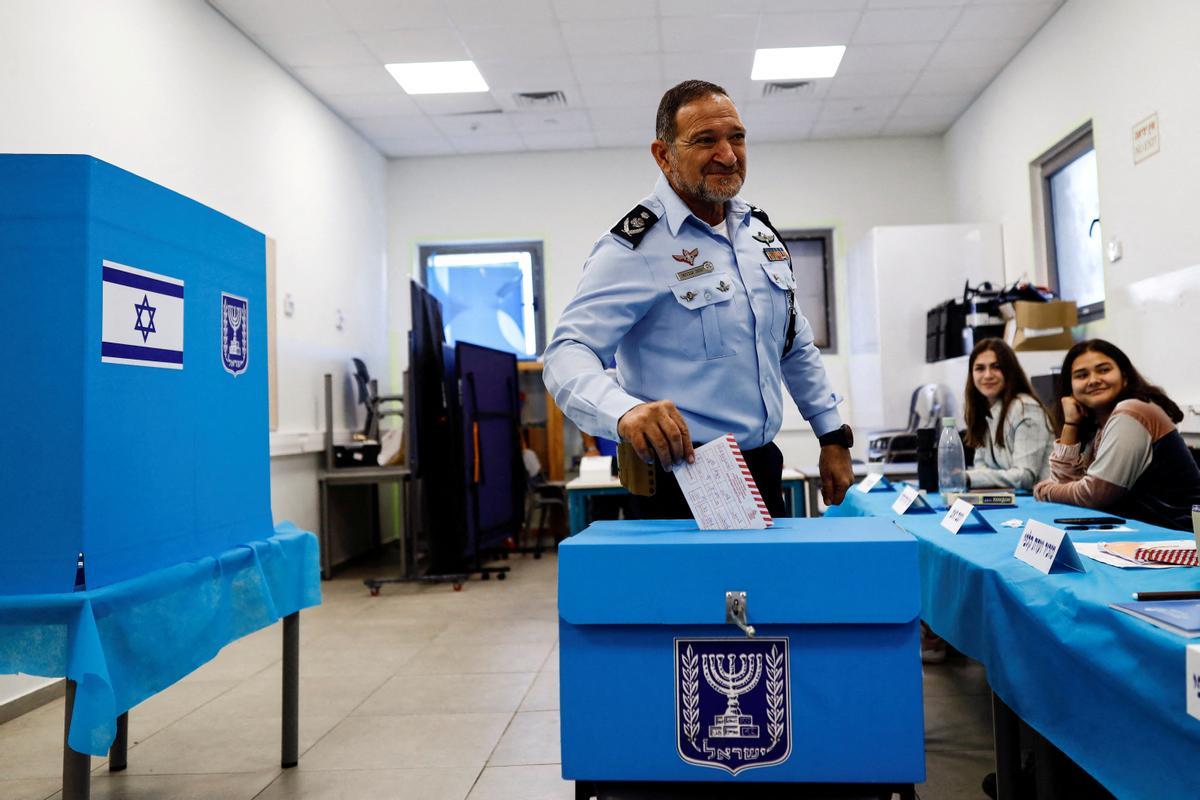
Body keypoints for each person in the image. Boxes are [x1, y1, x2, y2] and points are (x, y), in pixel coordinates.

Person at [543, 79, 853, 519]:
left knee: (770, 588)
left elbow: (792, 342)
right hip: (680, 479)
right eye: (706, 140)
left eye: (737, 138)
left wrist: (831, 435)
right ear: (664, 154)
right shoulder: (634, 247)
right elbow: (566, 355)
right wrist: (623, 411)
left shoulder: (757, 232)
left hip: (762, 467)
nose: (728, 155)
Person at [1033, 339, 1200, 530]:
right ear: (1070, 388)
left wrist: (1045, 490)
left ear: (1125, 377)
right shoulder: (1099, 426)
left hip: (1179, 541)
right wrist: (1071, 423)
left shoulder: (1133, 410)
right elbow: (1066, 485)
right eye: (1082, 375)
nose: (1093, 380)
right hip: (1146, 535)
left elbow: (1094, 494)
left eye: (1104, 370)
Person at [961, 338, 1055, 490]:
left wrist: (968, 477)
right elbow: (981, 466)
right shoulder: (984, 411)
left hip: (1039, 503)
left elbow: (1025, 476)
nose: (987, 375)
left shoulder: (1025, 407)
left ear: (1010, 371)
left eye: (996, 367)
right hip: (1011, 501)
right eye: (980, 368)